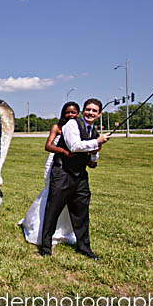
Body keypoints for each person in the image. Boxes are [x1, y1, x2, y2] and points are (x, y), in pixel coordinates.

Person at [39, 98, 110, 260]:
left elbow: (92, 155)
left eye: (94, 111)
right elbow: (74, 146)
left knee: (82, 212)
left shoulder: (94, 132)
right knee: (53, 210)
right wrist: (96, 142)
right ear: (83, 111)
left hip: (80, 176)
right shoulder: (72, 124)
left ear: (99, 114)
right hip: (62, 173)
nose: (90, 113)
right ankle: (45, 247)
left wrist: (94, 156)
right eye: (88, 110)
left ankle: (84, 247)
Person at [18, 102, 81, 247]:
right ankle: (39, 228)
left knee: (68, 195)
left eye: (73, 112)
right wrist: (63, 151)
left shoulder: (79, 128)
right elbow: (48, 146)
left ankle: (63, 230)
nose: (70, 115)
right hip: (55, 162)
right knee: (51, 192)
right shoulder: (57, 127)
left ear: (78, 114)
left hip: (71, 165)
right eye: (68, 112)